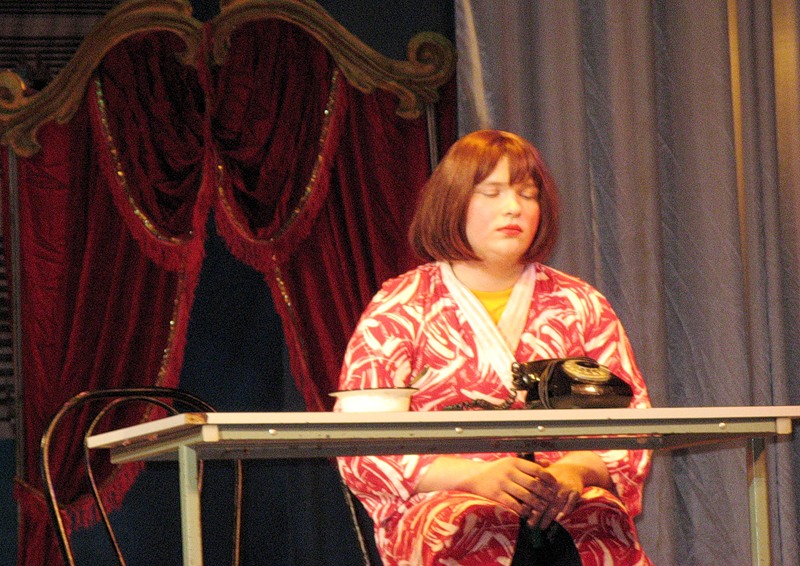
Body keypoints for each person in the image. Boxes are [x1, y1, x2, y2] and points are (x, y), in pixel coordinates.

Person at [335, 130, 652, 565]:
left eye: (527, 194)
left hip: (567, 501)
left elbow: (631, 423)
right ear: (454, 202)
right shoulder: (402, 305)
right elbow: (362, 444)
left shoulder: (580, 304)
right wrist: (476, 477)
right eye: (492, 192)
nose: (513, 207)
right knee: (474, 522)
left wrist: (575, 471)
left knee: (600, 519)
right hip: (446, 502)